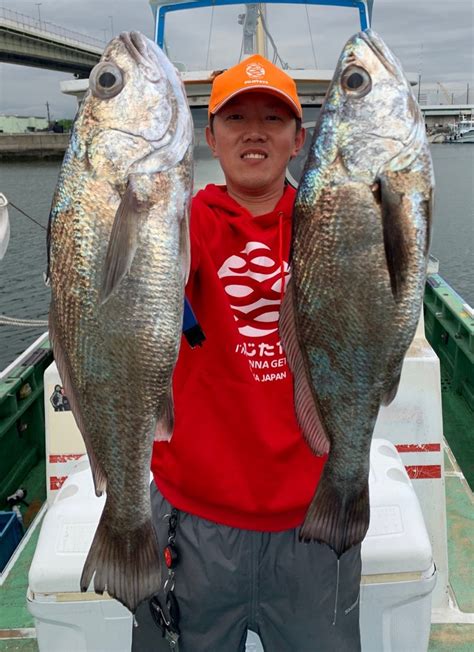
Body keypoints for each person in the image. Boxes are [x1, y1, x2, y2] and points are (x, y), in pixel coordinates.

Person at [132, 54, 361, 652]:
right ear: (208, 137)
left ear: (297, 140)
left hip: (316, 516)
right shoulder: (179, 222)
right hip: (193, 521)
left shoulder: (335, 224)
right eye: (235, 118)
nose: (254, 131)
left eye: (272, 118)